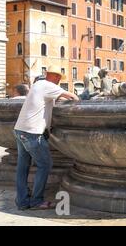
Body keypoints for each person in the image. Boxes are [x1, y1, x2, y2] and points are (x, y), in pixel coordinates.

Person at [13, 65, 79, 211]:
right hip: (32, 133)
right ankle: (36, 201)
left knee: (22, 167)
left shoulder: (38, 84)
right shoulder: (49, 85)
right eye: (59, 79)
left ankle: (22, 201)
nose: (59, 81)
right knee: (45, 164)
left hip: (20, 130)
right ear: (56, 77)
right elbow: (73, 97)